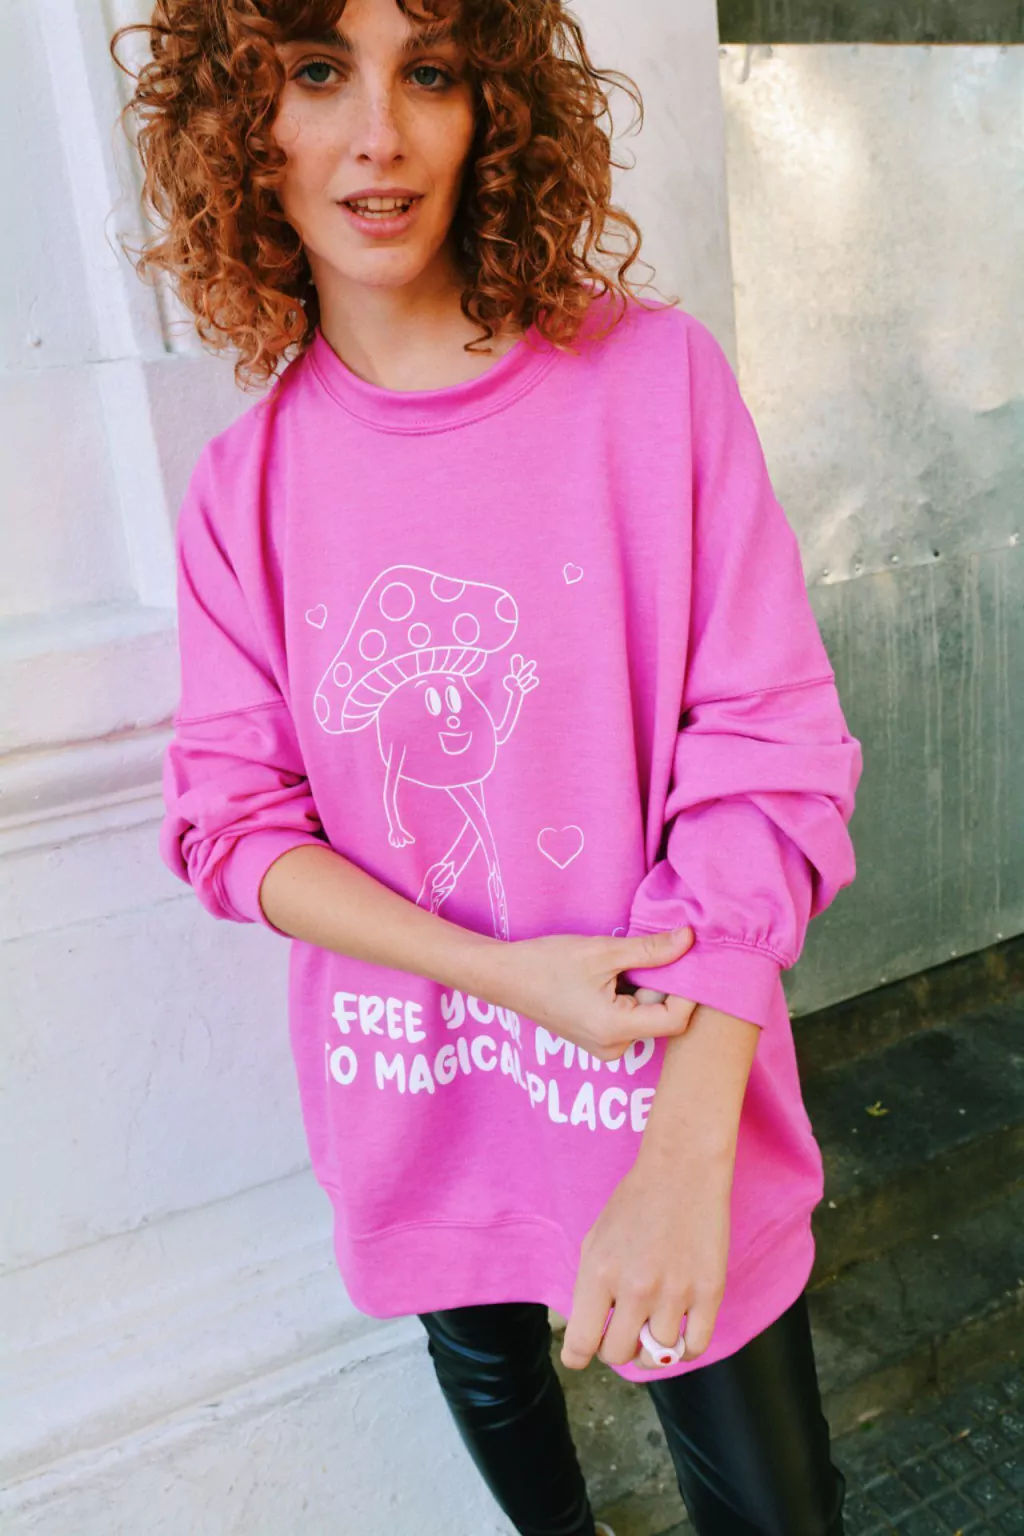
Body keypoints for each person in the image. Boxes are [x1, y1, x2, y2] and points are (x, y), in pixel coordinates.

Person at [112, 1, 862, 1531]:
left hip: (667, 1096)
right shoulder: (244, 490)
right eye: (317, 72)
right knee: (516, 1440)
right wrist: (508, 977)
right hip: (420, 1108)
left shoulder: (651, 386)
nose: (379, 134)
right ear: (241, 125)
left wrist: (685, 1154)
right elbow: (232, 827)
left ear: (493, 113)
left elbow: (771, 765)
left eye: (433, 73)